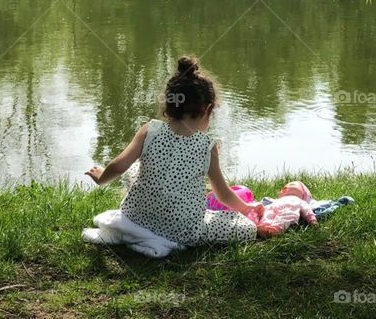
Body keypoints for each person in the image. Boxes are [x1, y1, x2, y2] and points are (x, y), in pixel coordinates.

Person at [85, 56, 263, 245]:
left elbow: (119, 165)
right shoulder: (207, 147)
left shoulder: (150, 130)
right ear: (207, 109)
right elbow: (224, 195)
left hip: (135, 218)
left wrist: (102, 177)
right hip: (183, 232)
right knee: (247, 229)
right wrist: (246, 208)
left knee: (134, 168)